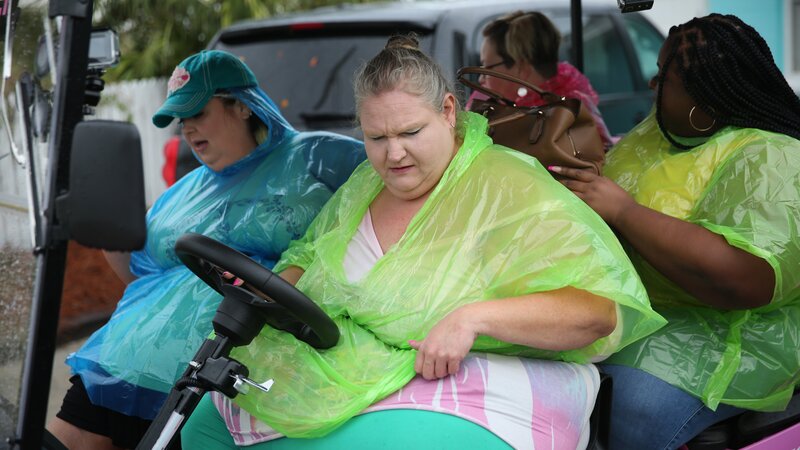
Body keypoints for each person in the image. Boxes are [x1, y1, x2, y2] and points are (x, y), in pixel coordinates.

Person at [179, 35, 665, 450]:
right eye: (376, 138)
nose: (393, 155)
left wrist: (471, 318)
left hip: (481, 376)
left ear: (449, 111)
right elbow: (309, 256)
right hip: (360, 366)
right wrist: (266, 291)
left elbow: (595, 311)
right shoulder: (365, 185)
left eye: (411, 132)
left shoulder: (506, 185)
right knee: (202, 420)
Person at [47, 50, 366, 449]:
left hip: (218, 382)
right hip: (120, 366)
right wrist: (108, 225)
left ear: (242, 106)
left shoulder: (319, 158)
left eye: (199, 114)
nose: (189, 130)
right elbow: (139, 272)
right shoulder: (182, 191)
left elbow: (388, 200)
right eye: (183, 121)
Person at [551, 14, 800, 449]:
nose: (652, 85)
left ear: (703, 99)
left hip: (722, 341)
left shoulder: (771, 157)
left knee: (629, 410)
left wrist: (625, 212)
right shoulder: (661, 131)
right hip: (637, 315)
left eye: (662, 76)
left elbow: (745, 278)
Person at [474, 10, 613, 148]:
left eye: (487, 68)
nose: (481, 79)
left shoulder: (570, 114)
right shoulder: (488, 107)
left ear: (522, 68)